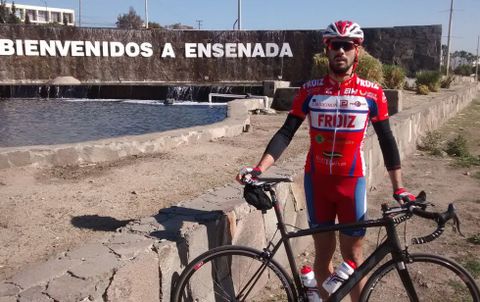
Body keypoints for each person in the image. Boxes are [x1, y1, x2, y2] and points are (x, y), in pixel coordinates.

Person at [237, 20, 416, 302]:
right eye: (335, 45)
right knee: (323, 255)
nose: (341, 51)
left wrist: (399, 188)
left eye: (348, 45)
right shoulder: (310, 90)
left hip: (351, 183)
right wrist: (259, 168)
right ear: (327, 50)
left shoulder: (372, 93)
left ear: (358, 51)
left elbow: (387, 141)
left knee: (354, 258)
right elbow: (286, 132)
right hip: (317, 183)